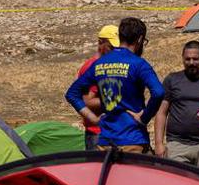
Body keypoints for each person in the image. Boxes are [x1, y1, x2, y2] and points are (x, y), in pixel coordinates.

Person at [65, 17, 163, 153]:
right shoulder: (139, 64)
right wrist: (144, 117)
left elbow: (72, 94)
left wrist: (92, 118)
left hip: (105, 141)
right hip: (133, 139)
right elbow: (158, 92)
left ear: (120, 36)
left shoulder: (99, 63)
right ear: (140, 40)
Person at [153, 39, 199, 172]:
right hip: (177, 144)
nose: (191, 63)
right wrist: (159, 144)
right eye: (187, 59)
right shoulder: (172, 80)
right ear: (182, 58)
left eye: (195, 59)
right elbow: (161, 113)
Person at [75, 24, 119, 150]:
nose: (115, 50)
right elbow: (86, 101)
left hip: (112, 130)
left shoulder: (109, 63)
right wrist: (118, 100)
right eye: (112, 47)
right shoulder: (92, 67)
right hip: (97, 133)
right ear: (101, 43)